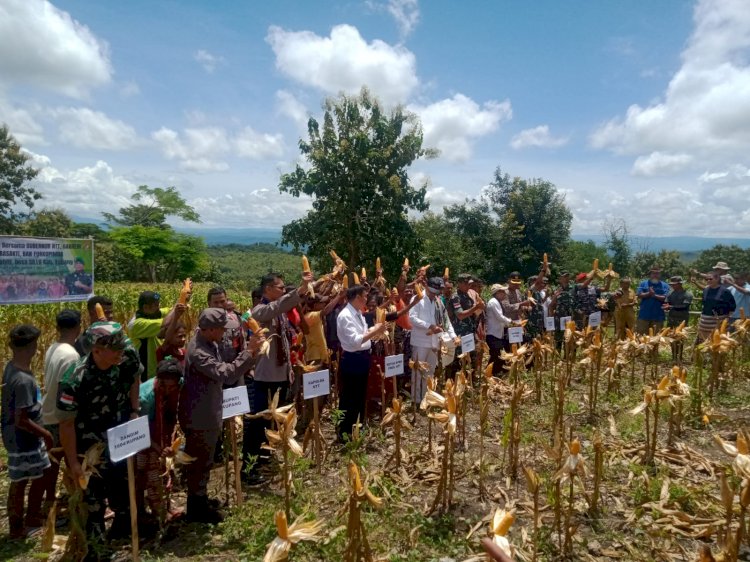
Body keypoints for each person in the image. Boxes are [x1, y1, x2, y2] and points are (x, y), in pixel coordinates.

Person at [57, 322, 143, 548]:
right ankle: (96, 548)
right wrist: (74, 463)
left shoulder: (126, 358)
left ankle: (123, 532)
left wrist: (134, 409)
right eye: (115, 349)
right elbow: (66, 424)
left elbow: (135, 377)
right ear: (96, 350)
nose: (121, 353)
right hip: (90, 449)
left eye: (122, 348)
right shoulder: (74, 379)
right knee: (93, 502)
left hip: (121, 436)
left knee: (123, 490)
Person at [178, 308, 258, 523]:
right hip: (200, 415)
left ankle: (200, 499)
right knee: (199, 461)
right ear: (210, 329)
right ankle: (196, 507)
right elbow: (225, 374)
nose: (224, 333)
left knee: (205, 460)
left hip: (209, 409)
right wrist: (249, 353)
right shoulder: (198, 352)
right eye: (222, 329)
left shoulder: (209, 342)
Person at [244, 270, 313, 481]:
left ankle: (266, 457)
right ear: (268, 289)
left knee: (273, 422)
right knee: (258, 423)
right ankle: (249, 467)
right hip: (266, 376)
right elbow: (277, 307)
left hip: (281, 373)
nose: (283, 291)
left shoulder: (279, 312)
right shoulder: (259, 311)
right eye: (280, 288)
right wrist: (300, 289)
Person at [2, 325, 53, 538]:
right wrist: (46, 434)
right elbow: (21, 419)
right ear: (32, 346)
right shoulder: (22, 380)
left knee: (39, 474)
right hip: (23, 438)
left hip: (23, 436)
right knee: (20, 481)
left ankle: (32, 516)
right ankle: (17, 527)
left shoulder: (13, 368)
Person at [40, 310, 81, 518]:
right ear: (79, 328)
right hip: (60, 417)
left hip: (47, 412)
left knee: (52, 464)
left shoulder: (53, 348)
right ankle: (69, 503)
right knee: (70, 461)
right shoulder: (72, 356)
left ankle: (49, 501)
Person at [336, 285, 387, 440]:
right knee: (349, 397)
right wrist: (375, 330)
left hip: (362, 357)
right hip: (353, 358)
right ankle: (345, 433)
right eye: (365, 296)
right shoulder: (345, 316)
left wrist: (374, 331)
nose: (367, 299)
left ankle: (357, 428)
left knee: (359, 396)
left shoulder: (357, 313)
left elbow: (363, 335)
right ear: (357, 297)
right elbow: (355, 341)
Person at [136, 357, 182, 527]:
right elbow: (141, 431)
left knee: (163, 471)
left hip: (160, 435)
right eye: (165, 386)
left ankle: (164, 506)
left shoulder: (179, 384)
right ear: (159, 381)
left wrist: (167, 444)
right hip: (143, 437)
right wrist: (158, 447)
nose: (169, 390)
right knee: (143, 474)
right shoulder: (145, 397)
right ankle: (145, 512)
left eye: (173, 386)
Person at [408, 277, 458, 404]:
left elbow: (446, 321)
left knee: (430, 371)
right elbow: (412, 318)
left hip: (435, 341)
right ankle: (416, 399)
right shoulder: (417, 299)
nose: (436, 294)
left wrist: (453, 336)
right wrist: (429, 326)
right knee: (418, 371)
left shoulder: (438, 301)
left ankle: (426, 397)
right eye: (434, 291)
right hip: (421, 341)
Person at [128, 291, 181, 380]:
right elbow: (166, 323)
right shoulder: (137, 324)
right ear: (146, 307)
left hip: (158, 365)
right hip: (146, 372)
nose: (158, 307)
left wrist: (183, 297)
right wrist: (176, 310)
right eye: (156, 305)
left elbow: (171, 310)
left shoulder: (152, 313)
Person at [696, 271, 737, 343]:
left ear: (717, 279)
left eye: (710, 279)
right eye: (706, 279)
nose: (708, 281)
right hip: (705, 322)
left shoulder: (725, 291)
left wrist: (726, 320)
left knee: (716, 343)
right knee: (703, 343)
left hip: (718, 321)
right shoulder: (706, 290)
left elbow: (732, 307)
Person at [663, 276, 693, 362]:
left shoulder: (687, 294)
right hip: (672, 318)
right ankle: (673, 356)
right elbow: (666, 302)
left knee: (680, 338)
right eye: (672, 284)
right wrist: (666, 306)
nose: (673, 286)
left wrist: (671, 306)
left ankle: (679, 356)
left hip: (682, 319)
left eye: (674, 284)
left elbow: (684, 306)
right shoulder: (670, 293)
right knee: (672, 338)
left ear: (680, 284)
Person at [486, 284, 513, 376]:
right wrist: (511, 322)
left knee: (497, 354)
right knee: (495, 354)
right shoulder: (493, 302)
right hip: (493, 333)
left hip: (497, 332)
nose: (504, 293)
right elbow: (499, 317)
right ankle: (491, 372)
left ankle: (495, 372)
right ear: (497, 293)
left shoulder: (497, 302)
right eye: (502, 292)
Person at [635, 267, 670, 334]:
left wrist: (654, 295)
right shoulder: (643, 283)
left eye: (657, 273)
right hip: (644, 315)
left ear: (660, 275)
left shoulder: (665, 285)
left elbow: (665, 297)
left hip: (658, 316)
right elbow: (639, 294)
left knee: (656, 337)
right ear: (650, 274)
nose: (655, 275)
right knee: (641, 337)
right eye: (653, 273)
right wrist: (649, 293)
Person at [549, 272, 575, 348]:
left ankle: (568, 358)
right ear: (560, 279)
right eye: (564, 277)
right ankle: (558, 358)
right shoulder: (556, 290)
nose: (566, 278)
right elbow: (551, 306)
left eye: (567, 276)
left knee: (569, 339)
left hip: (570, 318)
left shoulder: (573, 289)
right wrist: (551, 319)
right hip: (558, 318)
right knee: (558, 340)